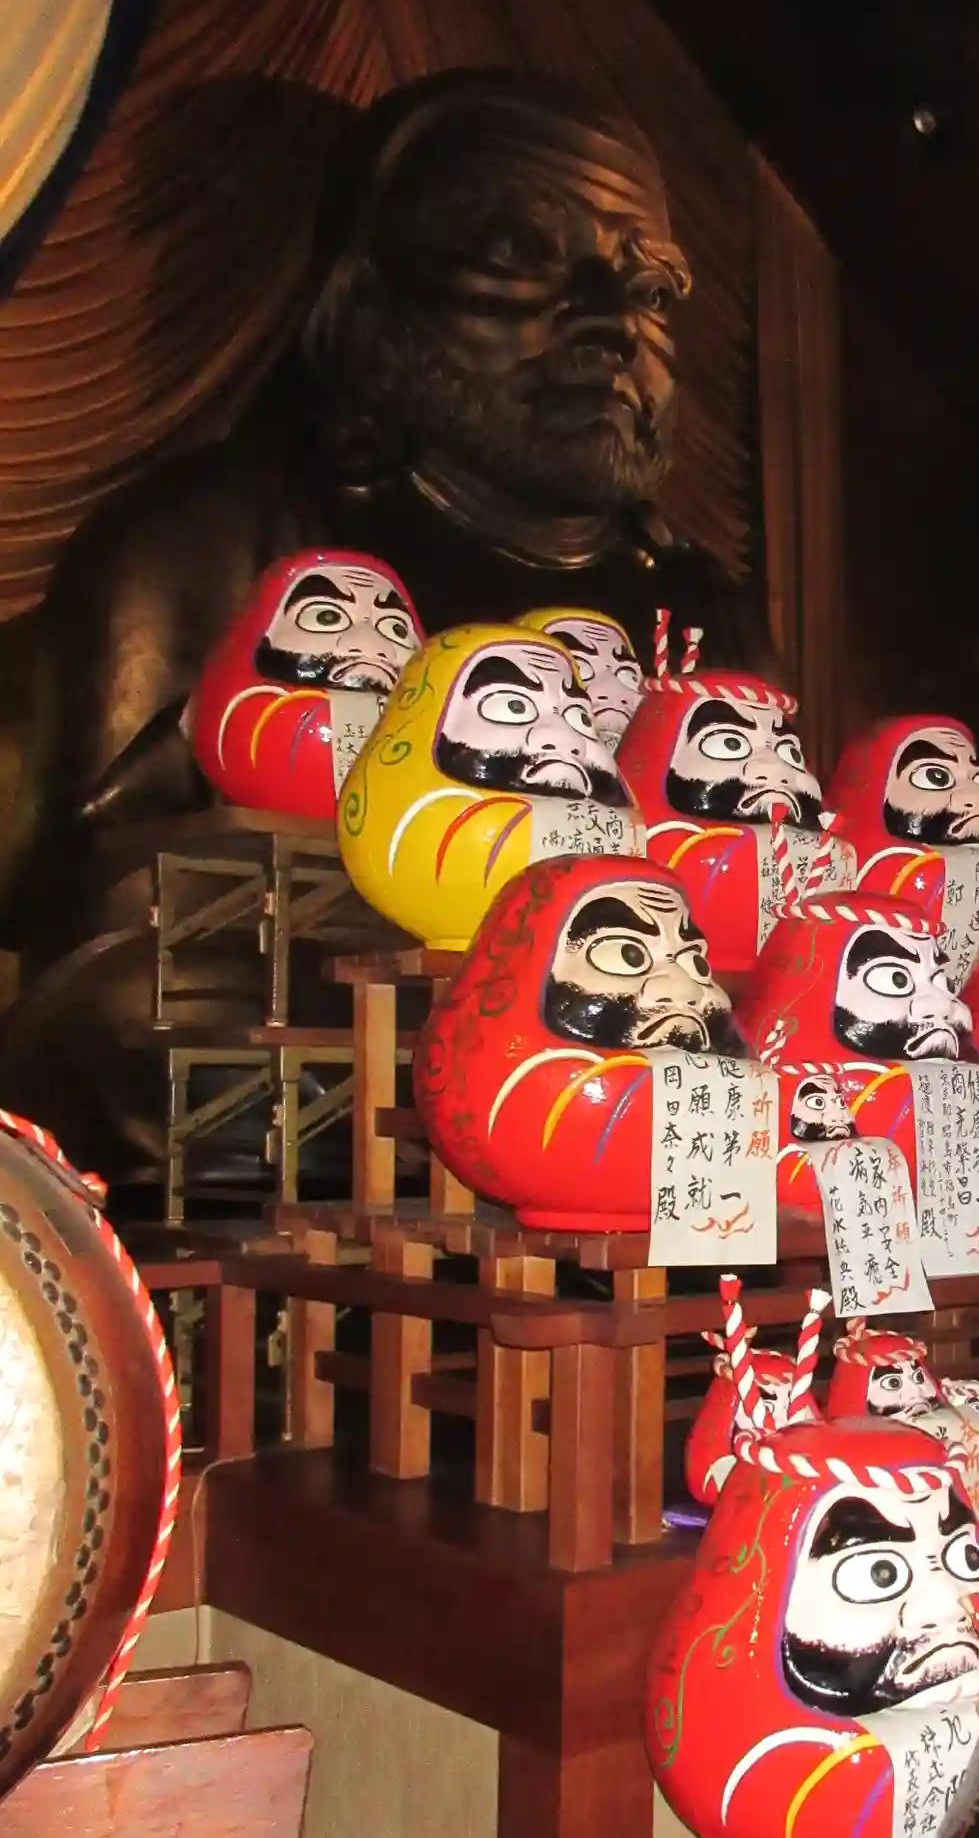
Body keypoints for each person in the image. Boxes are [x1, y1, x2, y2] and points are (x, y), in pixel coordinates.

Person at [0, 69, 762, 1179]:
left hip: (638, 1017)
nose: (610, 324)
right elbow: (97, 890)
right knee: (118, 1028)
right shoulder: (222, 529)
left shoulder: (693, 602)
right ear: (367, 302)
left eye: (648, 291)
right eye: (520, 257)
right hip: (344, 1010)